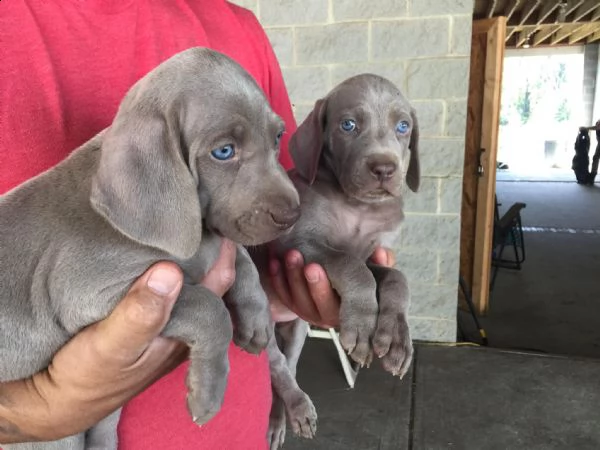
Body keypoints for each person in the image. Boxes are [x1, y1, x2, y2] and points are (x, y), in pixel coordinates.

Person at [0, 1, 394, 449]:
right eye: (225, 151)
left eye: (274, 138)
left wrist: (306, 279)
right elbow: (101, 289)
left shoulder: (237, 27)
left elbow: (245, 234)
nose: (288, 199)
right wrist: (31, 411)